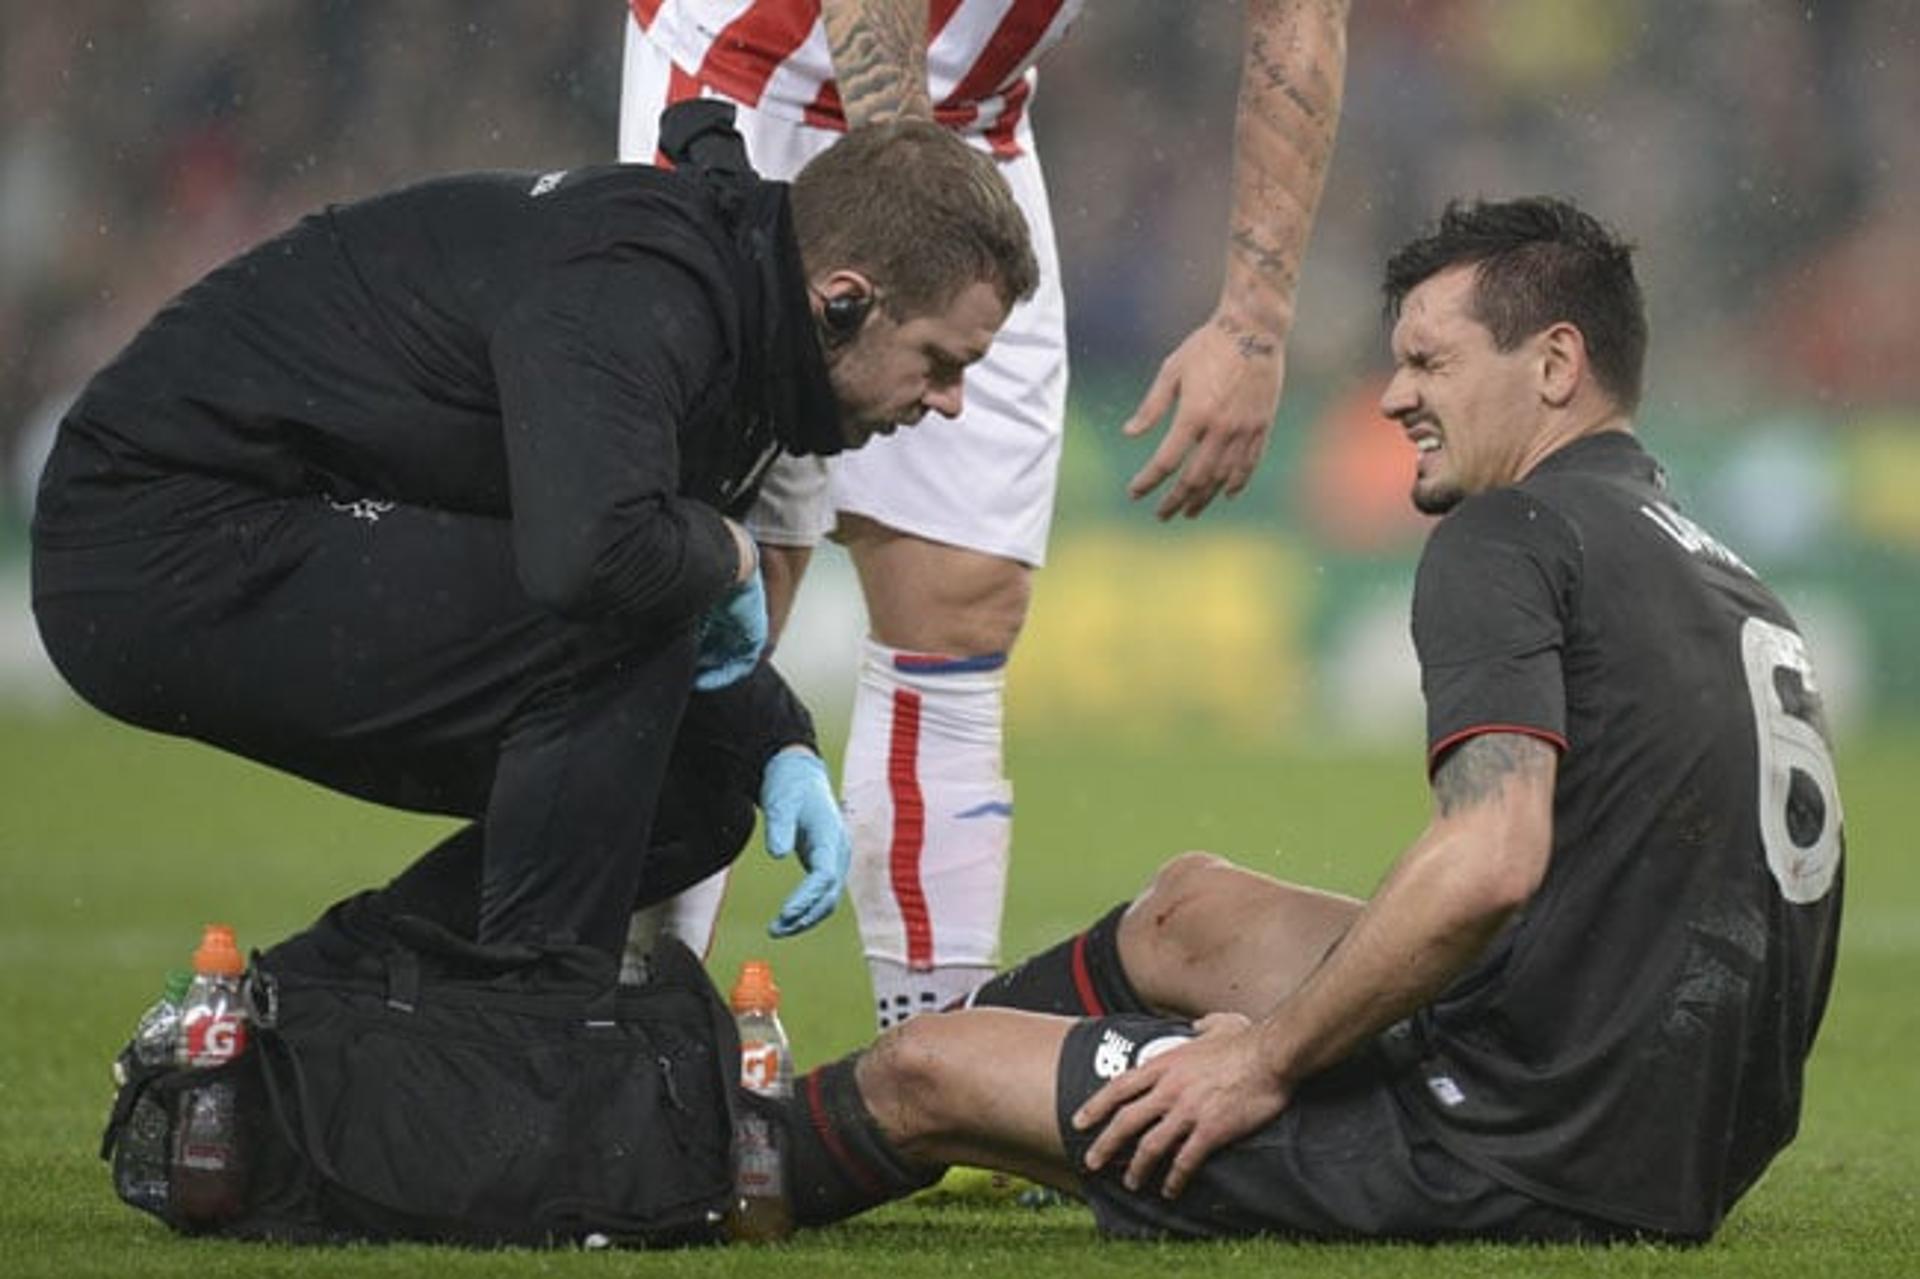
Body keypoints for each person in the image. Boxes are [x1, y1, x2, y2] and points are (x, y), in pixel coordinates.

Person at [746, 197, 1846, 1243]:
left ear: (1555, 365)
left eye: (1429, 361)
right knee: (1191, 909)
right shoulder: (1724, 575)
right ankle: (1016, 1097)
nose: (1391, 395)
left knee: (920, 1072)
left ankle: (693, 1158)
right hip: (1672, 1125)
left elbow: (1491, 860)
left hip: (1512, 1143)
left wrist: (1263, 1057)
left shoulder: (1507, 532)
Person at [30, 104, 1039, 959]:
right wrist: (727, 550)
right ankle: (525, 1030)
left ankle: (351, 1009)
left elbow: (623, 543)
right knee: (613, 625)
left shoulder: (725, 300)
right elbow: (594, 556)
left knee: (700, 790)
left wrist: (775, 740)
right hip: (161, 529)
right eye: (941, 362)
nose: (948, 402)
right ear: (845, 297)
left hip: (244, 512)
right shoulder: (648, 289)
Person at [619, 0, 1353, 1031]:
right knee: (723, 590)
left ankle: (938, 1060)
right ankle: (626, 1025)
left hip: (972, 126)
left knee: (960, 597)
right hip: (754, 81)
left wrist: (1255, 324)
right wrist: (905, 215)